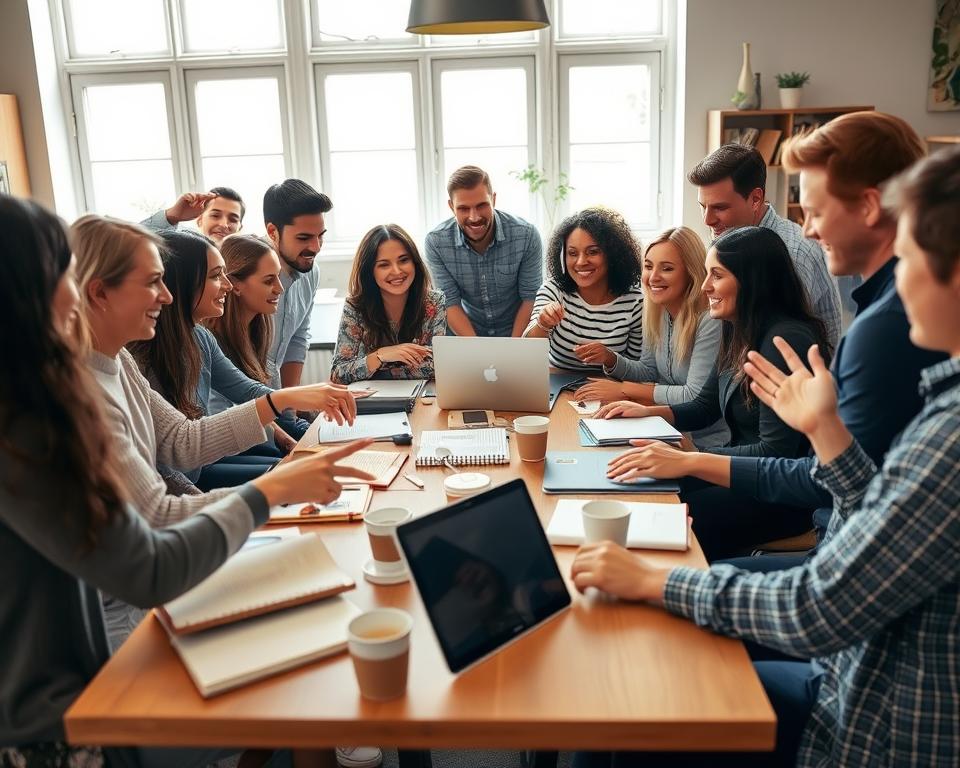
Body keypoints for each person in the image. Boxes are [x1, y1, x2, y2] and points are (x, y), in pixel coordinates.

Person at [570, 145, 960, 768]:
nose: (889, 288)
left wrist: (655, 580)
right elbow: (867, 512)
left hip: (865, 718)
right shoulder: (943, 403)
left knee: (631, 710)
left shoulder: (950, 433)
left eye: (908, 255)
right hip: (854, 666)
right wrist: (828, 433)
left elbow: (823, 607)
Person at [0, 193, 372, 767]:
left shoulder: (108, 364)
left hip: (103, 639)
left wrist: (277, 444)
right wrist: (270, 491)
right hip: (88, 685)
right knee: (309, 678)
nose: (169, 296)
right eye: (153, 283)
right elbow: (153, 543)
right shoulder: (41, 417)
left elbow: (183, 442)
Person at [605, 112, 946, 569]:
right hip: (830, 539)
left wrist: (693, 457)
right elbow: (845, 478)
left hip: (832, 551)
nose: (807, 228)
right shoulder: (856, 314)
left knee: (669, 551)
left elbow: (833, 490)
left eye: (817, 211)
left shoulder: (877, 327)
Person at [598, 226, 830, 560]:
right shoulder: (737, 327)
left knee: (668, 516)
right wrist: (645, 412)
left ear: (751, 280)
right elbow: (705, 405)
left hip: (780, 495)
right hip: (744, 475)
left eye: (716, 275)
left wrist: (688, 461)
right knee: (641, 490)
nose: (705, 286)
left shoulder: (783, 340)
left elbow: (776, 452)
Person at [572, 226, 727, 448]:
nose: (653, 277)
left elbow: (694, 395)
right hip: (666, 428)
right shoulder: (657, 310)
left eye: (667, 268)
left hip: (704, 442)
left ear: (691, 272)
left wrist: (624, 390)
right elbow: (649, 370)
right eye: (648, 267)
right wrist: (610, 359)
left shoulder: (710, 320)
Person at [689, 144, 842, 350]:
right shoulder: (727, 238)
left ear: (755, 199)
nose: (708, 220)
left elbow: (782, 344)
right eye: (703, 207)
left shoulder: (792, 253)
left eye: (720, 207)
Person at [206, 233, 307, 453]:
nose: (280, 288)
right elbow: (226, 424)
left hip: (264, 440)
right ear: (235, 285)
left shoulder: (258, 332)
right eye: (269, 280)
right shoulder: (211, 341)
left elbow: (285, 421)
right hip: (229, 450)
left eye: (278, 277)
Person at [424, 165, 542, 337]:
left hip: (516, 332)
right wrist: (478, 349)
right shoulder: (436, 242)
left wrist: (515, 348)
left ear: (493, 200)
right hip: (466, 333)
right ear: (451, 206)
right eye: (463, 208)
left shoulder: (526, 235)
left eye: (481, 205)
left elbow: (530, 297)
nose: (474, 217)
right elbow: (449, 302)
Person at [523, 207, 644, 372]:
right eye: (572, 253)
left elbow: (640, 370)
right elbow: (527, 353)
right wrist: (542, 323)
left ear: (613, 254)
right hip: (558, 384)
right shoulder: (553, 290)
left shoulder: (635, 301)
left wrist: (610, 358)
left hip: (610, 390)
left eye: (592, 252)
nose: (580, 262)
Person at [331, 223, 446, 384]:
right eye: (384, 265)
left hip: (423, 398)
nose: (397, 271)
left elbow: (439, 367)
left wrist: (377, 365)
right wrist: (381, 355)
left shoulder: (434, 302)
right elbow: (338, 374)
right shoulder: (355, 307)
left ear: (415, 263)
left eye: (404, 260)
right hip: (372, 402)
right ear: (370, 271)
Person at [142, 186, 245, 247]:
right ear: (199, 220)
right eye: (215, 215)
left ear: (240, 228)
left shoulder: (252, 260)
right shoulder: (181, 250)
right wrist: (172, 216)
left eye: (233, 219)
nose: (224, 224)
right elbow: (137, 243)